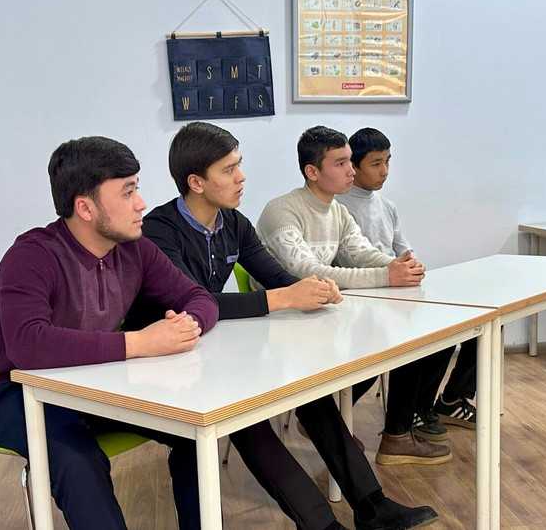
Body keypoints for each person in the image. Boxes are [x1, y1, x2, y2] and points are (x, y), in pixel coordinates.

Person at [125, 121, 438, 530]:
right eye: (229, 170)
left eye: (240, 165)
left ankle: (372, 505)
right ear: (196, 182)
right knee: (249, 416)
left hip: (213, 348)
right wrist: (283, 297)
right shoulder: (159, 231)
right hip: (161, 360)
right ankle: (320, 524)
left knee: (310, 392)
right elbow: (192, 303)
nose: (241, 177)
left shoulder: (233, 222)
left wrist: (313, 290)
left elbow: (277, 278)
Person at [0, 136, 219, 530]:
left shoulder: (134, 247)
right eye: (128, 192)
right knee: (78, 461)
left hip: (98, 385)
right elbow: (29, 344)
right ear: (85, 208)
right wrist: (141, 342)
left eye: (137, 188)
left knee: (193, 432)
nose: (141, 203)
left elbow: (198, 297)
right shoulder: (32, 255)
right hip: (15, 394)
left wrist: (186, 326)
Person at [256, 125, 451, 466]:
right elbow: (308, 271)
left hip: (322, 312)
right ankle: (323, 416)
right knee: (386, 342)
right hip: (282, 323)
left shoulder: (338, 211)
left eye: (350, 162)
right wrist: (386, 276)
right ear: (312, 172)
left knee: (410, 339)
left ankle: (392, 434)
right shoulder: (282, 211)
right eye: (341, 163)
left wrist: (397, 265)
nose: (350, 171)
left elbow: (360, 252)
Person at [338, 127, 476, 433]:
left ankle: (438, 403)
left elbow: (405, 251)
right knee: (418, 338)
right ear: (354, 166)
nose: (384, 171)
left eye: (388, 161)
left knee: (460, 328)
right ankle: (409, 412)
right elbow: (348, 262)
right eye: (375, 163)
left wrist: (413, 266)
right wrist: (395, 271)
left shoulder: (387, 206)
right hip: (365, 299)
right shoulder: (340, 208)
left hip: (396, 292)